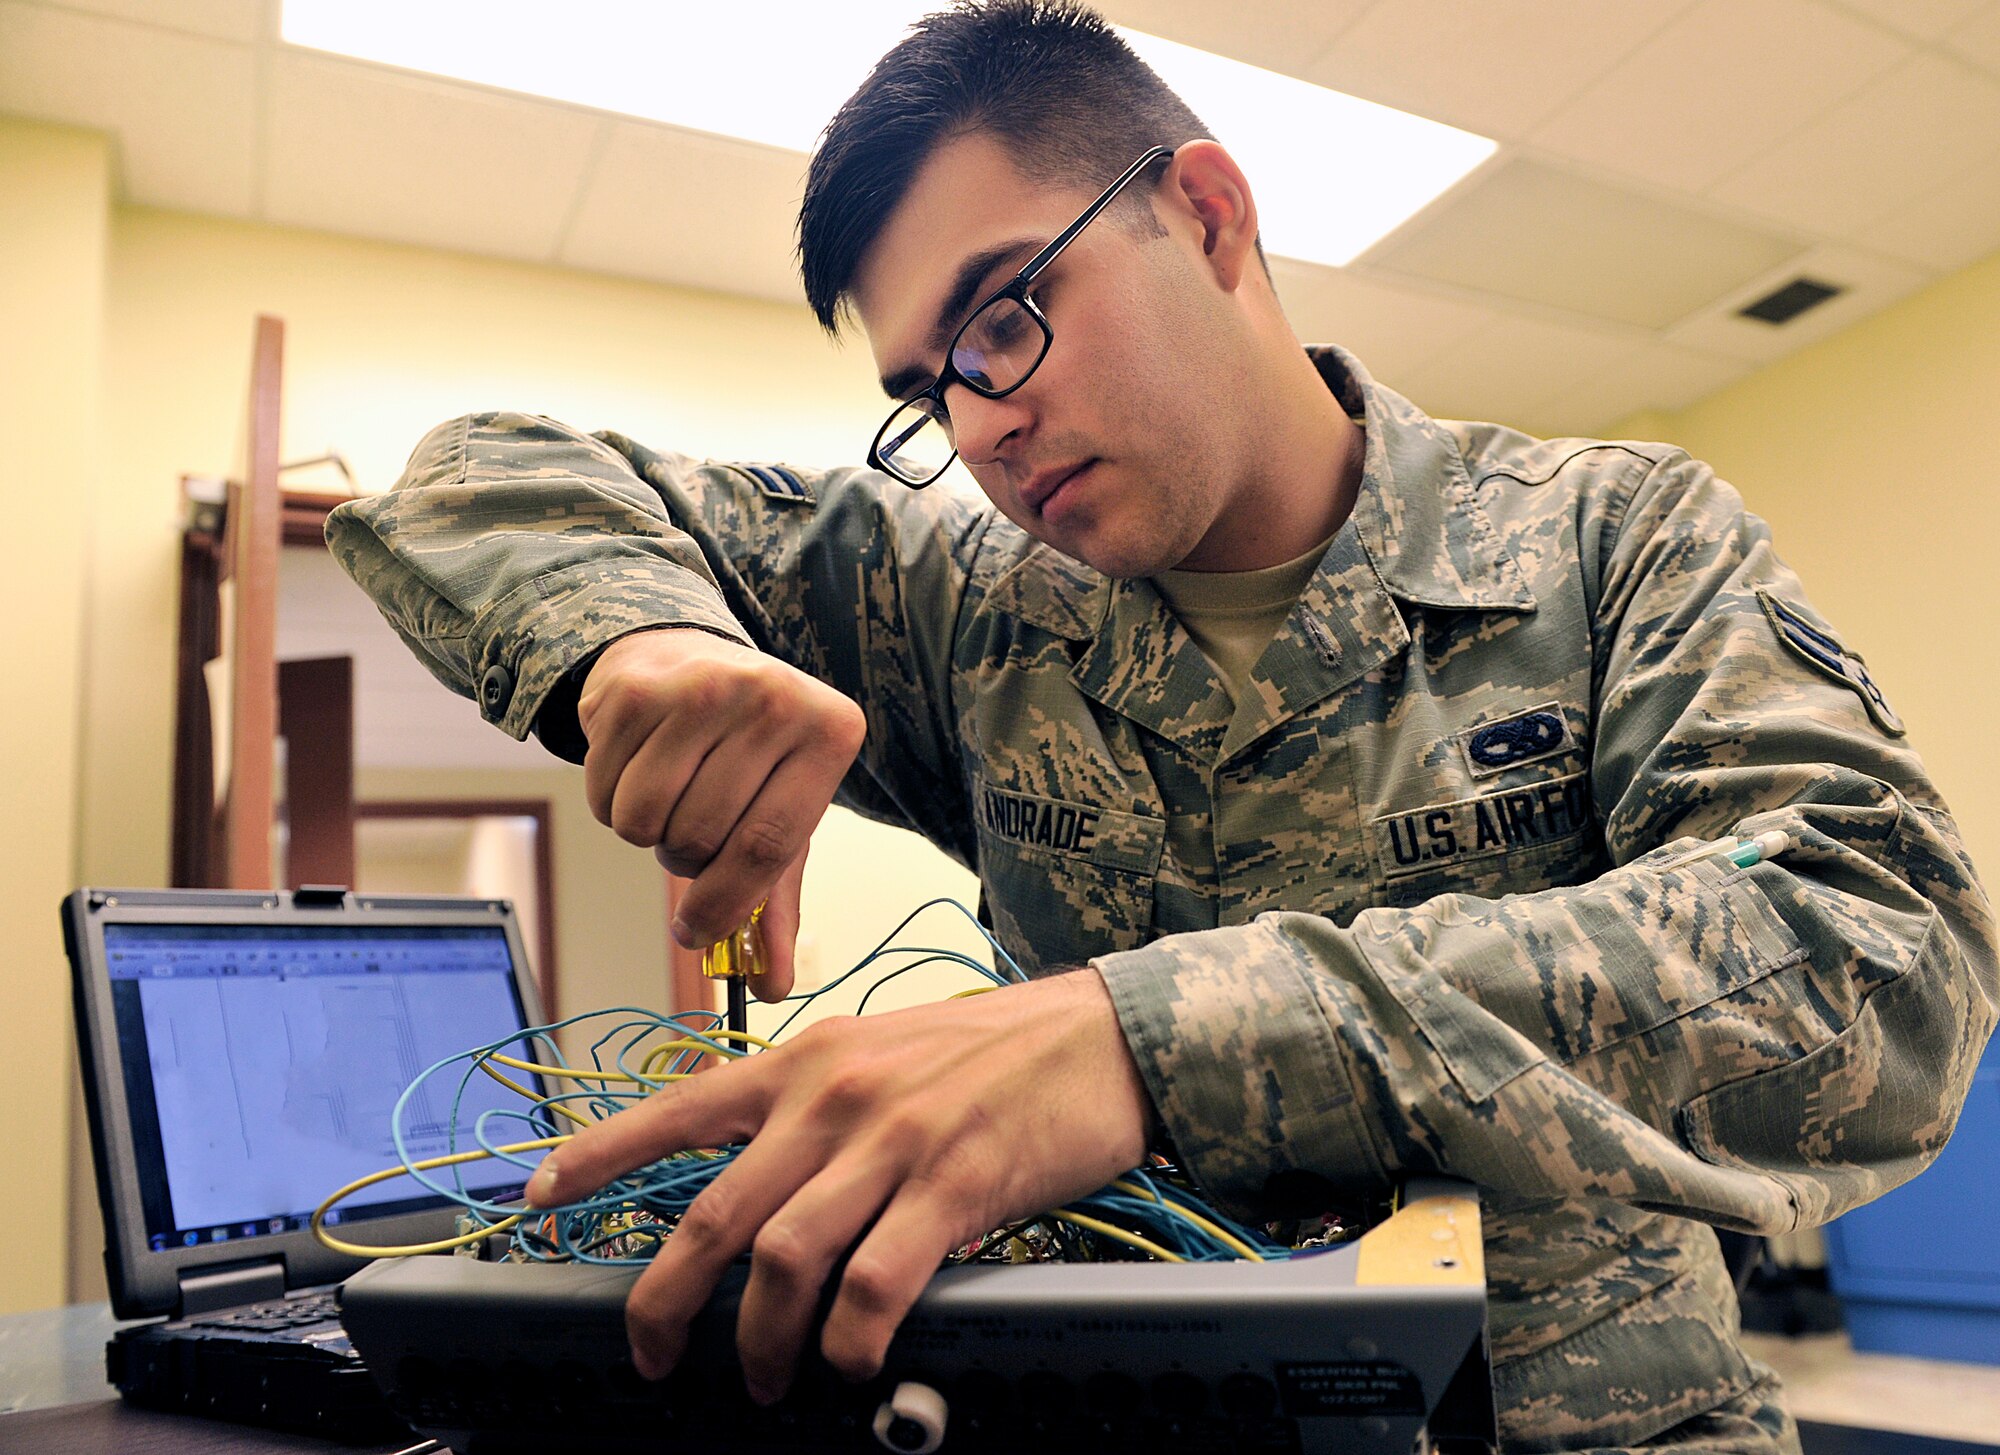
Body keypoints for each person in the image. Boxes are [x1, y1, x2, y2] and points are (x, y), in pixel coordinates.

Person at [325, 3, 1997, 1450]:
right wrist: (645, 642)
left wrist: (1148, 1041)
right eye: (927, 390)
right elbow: (478, 479)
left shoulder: (1610, 538)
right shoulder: (960, 604)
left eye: (1002, 316)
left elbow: (1886, 954)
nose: (982, 424)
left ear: (1205, 215)